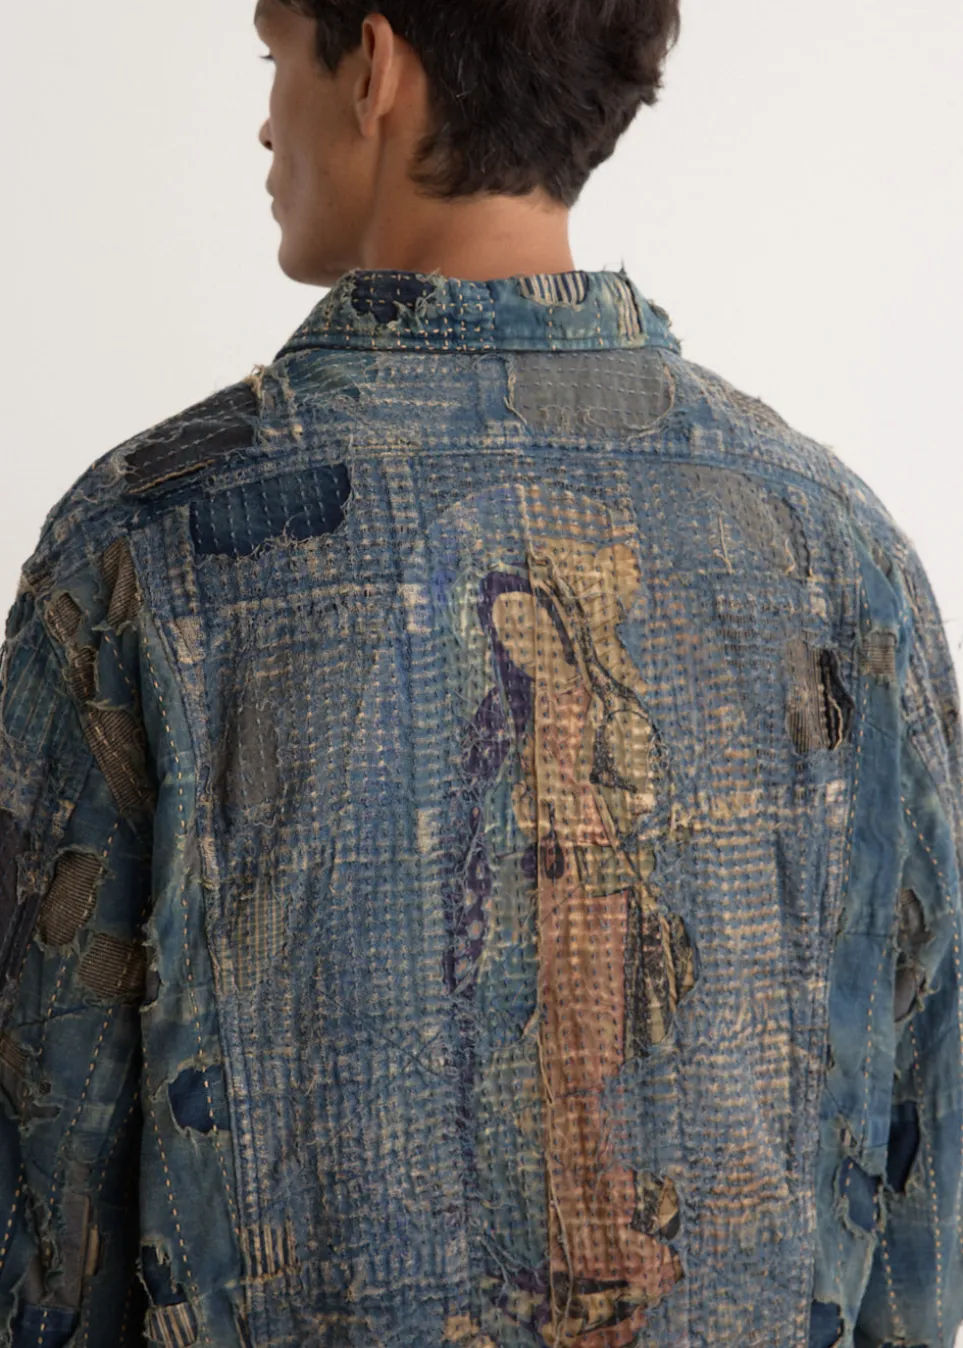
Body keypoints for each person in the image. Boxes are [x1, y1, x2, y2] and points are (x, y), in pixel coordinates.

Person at [0, 0, 960, 1343]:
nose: (266, 122)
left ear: (374, 68)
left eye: (275, 58)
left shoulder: (146, 547)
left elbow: (45, 1208)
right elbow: (916, 1219)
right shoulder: (842, 554)